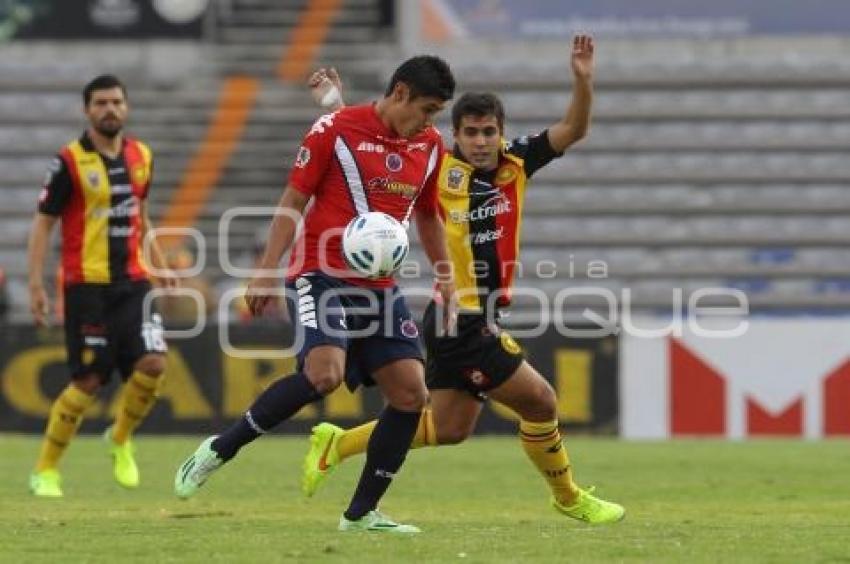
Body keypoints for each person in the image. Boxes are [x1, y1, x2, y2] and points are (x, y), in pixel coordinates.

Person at [302, 35, 625, 524]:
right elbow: (374, 148)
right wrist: (336, 106)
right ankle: (568, 496)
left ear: (500, 133)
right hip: (461, 317)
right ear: (454, 133)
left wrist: (583, 81)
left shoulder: (518, 163)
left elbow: (574, 129)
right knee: (541, 401)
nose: (479, 142)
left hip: (478, 313)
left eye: (488, 132)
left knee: (451, 427)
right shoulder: (439, 166)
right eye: (470, 132)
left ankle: (338, 443)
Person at [173, 55, 457, 534]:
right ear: (402, 92)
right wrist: (265, 272)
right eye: (428, 108)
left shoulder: (429, 145)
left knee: (411, 394)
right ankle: (220, 448)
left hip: (379, 286)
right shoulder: (333, 129)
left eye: (437, 113)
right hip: (319, 274)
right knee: (323, 374)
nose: (430, 121)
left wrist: (445, 275)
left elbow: (428, 215)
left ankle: (362, 514)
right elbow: (293, 200)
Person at [27, 74, 178, 497]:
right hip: (86, 287)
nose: (109, 109)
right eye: (100, 103)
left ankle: (119, 437)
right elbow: (43, 226)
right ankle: (46, 470)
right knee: (89, 381)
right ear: (87, 110)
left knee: (154, 364)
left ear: (126, 107)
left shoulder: (142, 156)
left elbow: (141, 216)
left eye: (116, 102)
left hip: (133, 281)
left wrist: (160, 264)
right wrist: (37, 285)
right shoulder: (69, 162)